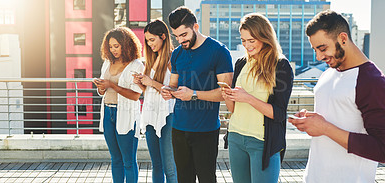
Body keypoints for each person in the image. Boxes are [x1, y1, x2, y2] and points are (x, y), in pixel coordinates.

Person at [288, 10, 385, 182]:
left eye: (323, 48)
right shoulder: (328, 74)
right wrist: (312, 121)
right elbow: (336, 116)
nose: (318, 56)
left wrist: (324, 127)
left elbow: (382, 149)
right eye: (315, 49)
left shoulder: (372, 81)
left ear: (343, 38)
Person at [161, 6, 233, 183]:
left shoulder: (219, 51)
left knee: (207, 179)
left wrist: (193, 94)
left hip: (206, 130)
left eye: (184, 35)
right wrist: (168, 92)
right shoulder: (177, 54)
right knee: (183, 179)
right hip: (178, 128)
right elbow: (174, 86)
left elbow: (226, 93)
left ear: (195, 27)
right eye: (176, 36)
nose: (180, 40)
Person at [221, 13, 293, 183]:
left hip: (262, 143)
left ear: (264, 37)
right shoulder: (241, 63)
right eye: (243, 40)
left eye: (251, 40)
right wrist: (228, 96)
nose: (246, 45)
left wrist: (248, 98)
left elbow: (279, 114)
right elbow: (233, 109)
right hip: (236, 137)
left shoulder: (281, 66)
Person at [93, 27, 144, 183]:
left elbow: (136, 95)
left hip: (126, 115)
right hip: (108, 113)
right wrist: (100, 87)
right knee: (115, 159)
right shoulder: (107, 63)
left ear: (126, 44)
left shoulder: (136, 65)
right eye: (110, 46)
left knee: (128, 160)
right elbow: (102, 93)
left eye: (117, 46)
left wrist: (113, 85)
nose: (113, 50)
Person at [132, 19, 178, 183]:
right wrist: (142, 84)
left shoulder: (173, 59)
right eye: (147, 41)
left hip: (167, 115)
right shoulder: (151, 60)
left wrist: (151, 82)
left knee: (169, 166)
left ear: (163, 36)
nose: (149, 44)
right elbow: (151, 91)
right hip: (150, 115)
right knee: (156, 165)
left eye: (152, 40)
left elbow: (175, 91)